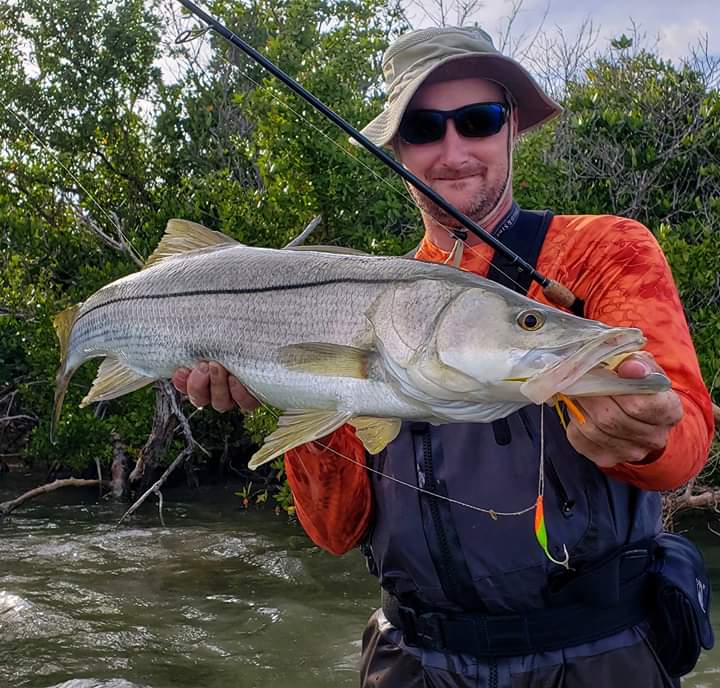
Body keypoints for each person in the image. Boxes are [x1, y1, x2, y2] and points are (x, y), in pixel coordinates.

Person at [173, 26, 715, 687]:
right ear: (398, 148)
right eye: (425, 128)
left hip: (599, 658)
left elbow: (683, 439)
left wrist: (648, 433)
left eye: (478, 120)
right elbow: (336, 530)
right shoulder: (355, 294)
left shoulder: (607, 251)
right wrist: (292, 389)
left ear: (511, 127)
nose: (453, 149)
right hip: (416, 661)